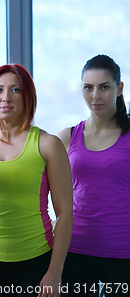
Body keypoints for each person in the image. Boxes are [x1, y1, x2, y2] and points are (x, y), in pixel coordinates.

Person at [0, 64, 73, 297]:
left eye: (15, 90)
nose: (5, 98)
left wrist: (55, 272)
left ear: (28, 97)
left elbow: (64, 214)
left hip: (38, 265)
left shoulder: (47, 144)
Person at [57, 55, 130, 297]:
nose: (95, 96)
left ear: (119, 89)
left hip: (123, 256)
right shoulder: (67, 136)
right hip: (74, 251)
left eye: (104, 87)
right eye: (89, 87)